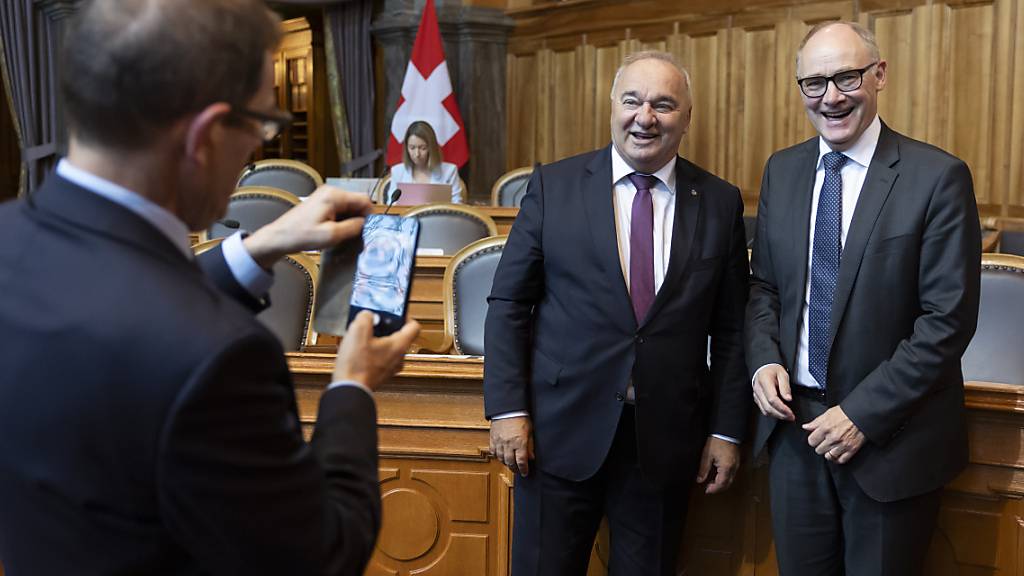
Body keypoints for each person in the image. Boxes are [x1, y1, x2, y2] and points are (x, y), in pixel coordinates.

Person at [0, 1, 419, 574]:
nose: (257, 148)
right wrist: (353, 387)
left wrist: (260, 246)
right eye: (262, 125)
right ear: (204, 136)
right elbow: (323, 556)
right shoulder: (221, 357)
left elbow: (123, 306)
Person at [483, 51, 750, 576]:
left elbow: (732, 329)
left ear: (687, 117)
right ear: (612, 107)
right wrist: (507, 409)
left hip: (665, 444)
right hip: (556, 436)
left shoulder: (720, 202)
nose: (644, 117)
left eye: (663, 105)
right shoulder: (554, 186)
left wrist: (726, 430)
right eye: (632, 101)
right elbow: (509, 303)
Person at [746, 21, 981, 575]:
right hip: (796, 433)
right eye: (814, 83)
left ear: (879, 75)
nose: (831, 97)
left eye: (846, 77)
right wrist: (763, 360)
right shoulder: (783, 170)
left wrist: (861, 414)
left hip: (890, 442)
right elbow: (764, 287)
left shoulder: (937, 177)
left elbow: (946, 321)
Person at [388, 120, 464, 203]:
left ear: (431, 148)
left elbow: (457, 204)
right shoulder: (397, 171)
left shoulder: (449, 171)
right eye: (412, 148)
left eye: (422, 148)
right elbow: (391, 204)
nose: (417, 154)